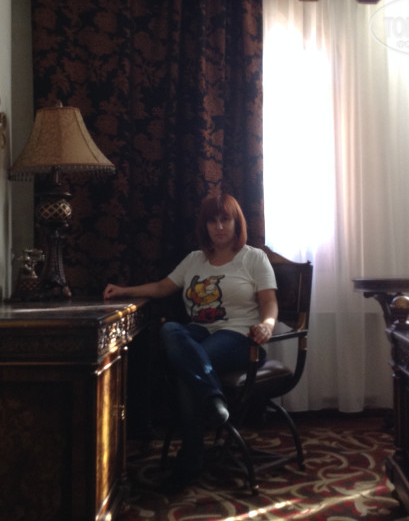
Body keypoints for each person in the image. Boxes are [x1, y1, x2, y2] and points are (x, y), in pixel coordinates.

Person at [103, 193, 278, 489]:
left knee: (187, 368)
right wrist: (124, 290)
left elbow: (269, 302)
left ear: (237, 223)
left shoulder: (253, 257)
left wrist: (268, 325)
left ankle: (191, 459)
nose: (218, 226)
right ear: (204, 226)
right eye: (212, 220)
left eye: (225, 219)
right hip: (199, 332)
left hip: (241, 337)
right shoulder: (195, 259)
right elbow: (162, 287)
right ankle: (212, 398)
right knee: (171, 330)